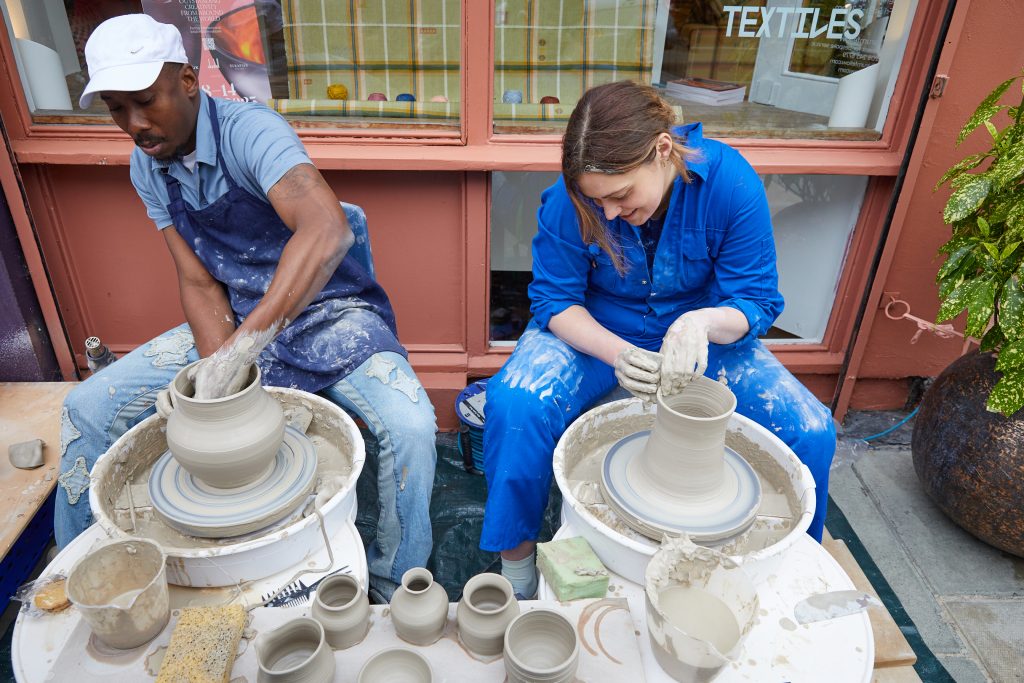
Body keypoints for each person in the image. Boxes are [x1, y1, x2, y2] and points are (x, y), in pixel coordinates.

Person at [55, 14, 437, 602]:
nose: (134, 124)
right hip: (233, 314)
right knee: (85, 408)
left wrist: (244, 349)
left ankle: (394, 584)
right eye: (115, 108)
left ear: (186, 80)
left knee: (412, 427)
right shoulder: (147, 164)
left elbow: (327, 228)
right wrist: (220, 389)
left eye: (144, 101)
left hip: (330, 311)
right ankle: (82, 580)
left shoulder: (250, 132)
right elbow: (198, 282)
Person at [481, 81, 836, 599]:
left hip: (701, 337)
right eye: (595, 200)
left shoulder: (729, 183)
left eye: (621, 195)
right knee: (515, 403)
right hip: (597, 331)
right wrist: (617, 353)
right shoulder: (569, 200)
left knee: (811, 429)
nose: (608, 214)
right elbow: (555, 302)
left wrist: (702, 324)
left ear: (663, 150)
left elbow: (756, 301)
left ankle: (791, 569)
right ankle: (516, 564)